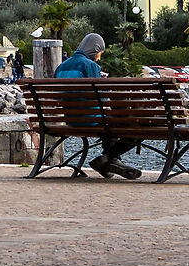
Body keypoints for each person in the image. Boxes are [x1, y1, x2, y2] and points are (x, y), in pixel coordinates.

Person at [49, 33, 140, 180]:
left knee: (110, 124)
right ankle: (107, 158)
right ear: (94, 49)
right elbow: (102, 100)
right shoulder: (90, 65)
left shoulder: (61, 67)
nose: (99, 57)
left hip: (71, 119)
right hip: (90, 119)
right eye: (99, 53)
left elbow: (57, 95)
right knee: (134, 127)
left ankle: (110, 162)